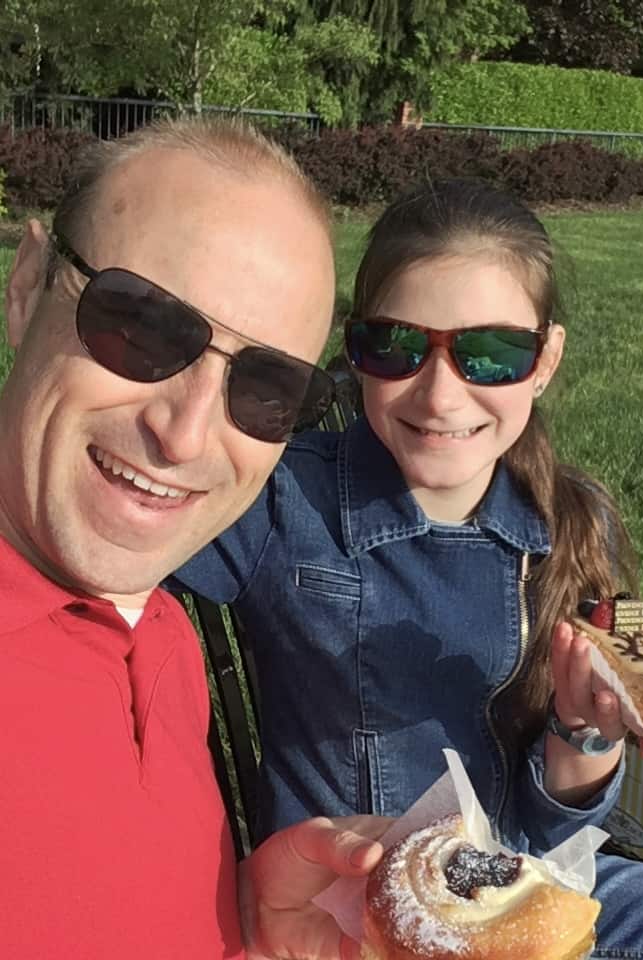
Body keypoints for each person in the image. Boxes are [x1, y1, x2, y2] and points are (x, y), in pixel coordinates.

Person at [174, 179, 643, 959]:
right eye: (395, 347)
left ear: (545, 360)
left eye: (490, 353)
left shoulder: (566, 522)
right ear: (353, 352)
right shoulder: (282, 500)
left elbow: (547, 833)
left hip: (529, 888)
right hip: (358, 921)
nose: (439, 394)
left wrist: (583, 734)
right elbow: (98, 558)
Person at [0, 118, 388, 960]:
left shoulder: (166, 629)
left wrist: (241, 926)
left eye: (268, 387)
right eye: (139, 327)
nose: (185, 435)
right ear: (27, 284)